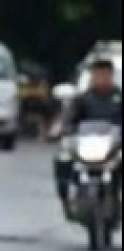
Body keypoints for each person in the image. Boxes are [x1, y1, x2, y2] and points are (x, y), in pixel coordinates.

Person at [53, 57, 123, 210]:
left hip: (114, 147)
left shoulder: (119, 98)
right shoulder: (82, 99)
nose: (101, 79)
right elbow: (69, 119)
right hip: (88, 146)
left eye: (105, 75)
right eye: (97, 74)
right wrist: (61, 130)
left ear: (111, 76)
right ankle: (66, 197)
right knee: (63, 158)